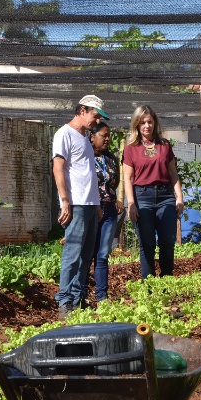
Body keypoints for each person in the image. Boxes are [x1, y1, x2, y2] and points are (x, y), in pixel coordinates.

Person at [52, 95, 109, 318]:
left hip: (89, 204)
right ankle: (64, 302)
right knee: (72, 254)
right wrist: (65, 201)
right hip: (75, 204)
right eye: (95, 117)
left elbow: (88, 174)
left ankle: (77, 300)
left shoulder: (84, 138)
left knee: (86, 256)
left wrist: (95, 203)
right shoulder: (64, 134)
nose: (97, 122)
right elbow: (58, 169)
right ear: (83, 110)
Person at [122, 105, 184, 279]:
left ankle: (167, 281)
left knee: (167, 242)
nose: (147, 126)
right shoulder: (130, 149)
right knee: (147, 244)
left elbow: (173, 173)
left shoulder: (164, 145)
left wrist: (179, 196)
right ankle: (148, 285)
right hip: (142, 197)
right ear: (137, 125)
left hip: (165, 196)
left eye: (149, 121)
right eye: (142, 122)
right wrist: (131, 203)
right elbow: (127, 178)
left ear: (155, 122)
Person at [88, 120, 124, 302]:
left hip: (109, 210)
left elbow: (112, 183)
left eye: (108, 135)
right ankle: (81, 295)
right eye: (104, 135)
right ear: (92, 137)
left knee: (102, 254)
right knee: (87, 252)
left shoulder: (110, 159)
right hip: (91, 209)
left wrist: (116, 199)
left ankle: (102, 297)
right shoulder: (85, 157)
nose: (108, 139)